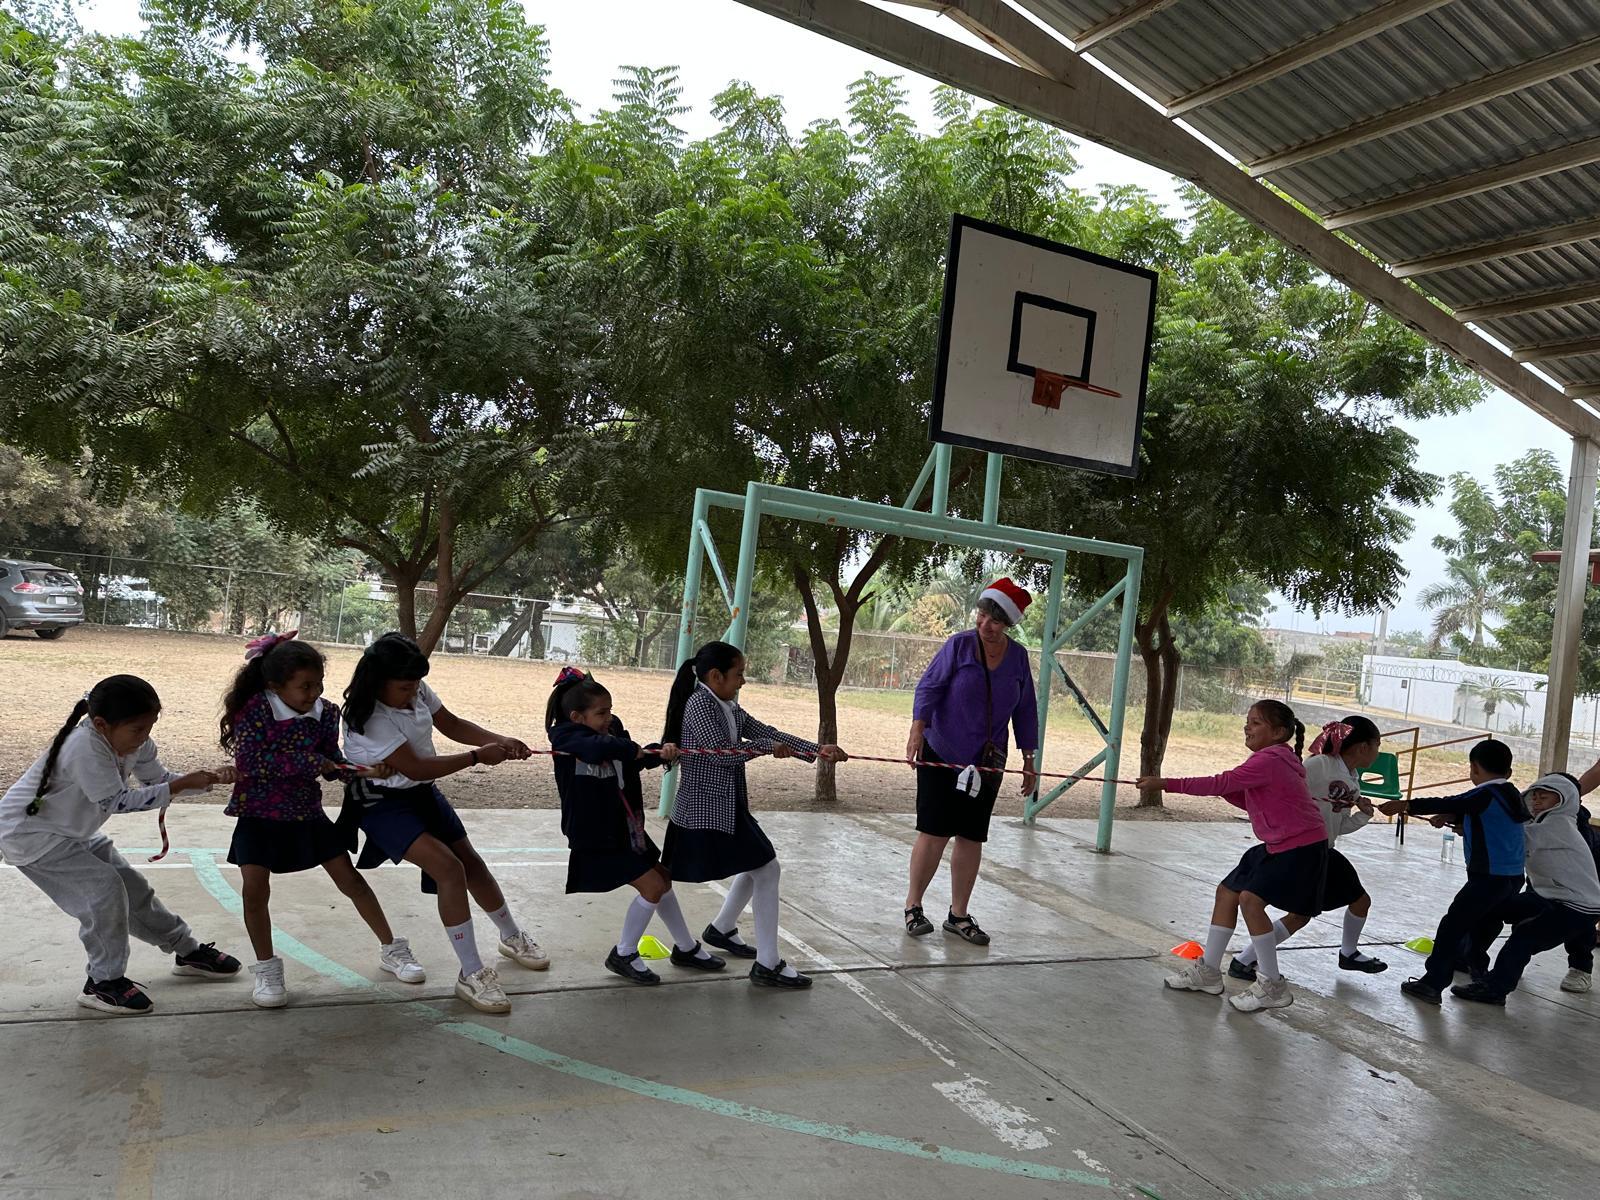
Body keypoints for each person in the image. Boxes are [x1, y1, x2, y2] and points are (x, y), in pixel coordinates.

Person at [0, 675, 241, 1014]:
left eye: (149, 727)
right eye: (137, 729)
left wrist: (206, 779)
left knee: (133, 889)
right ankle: (103, 982)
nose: (144, 737)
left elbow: (157, 781)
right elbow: (119, 801)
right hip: (31, 835)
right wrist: (177, 787)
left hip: (73, 831)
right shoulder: (83, 746)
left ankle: (186, 951)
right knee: (104, 891)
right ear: (101, 724)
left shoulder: (136, 743)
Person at [341, 633, 548, 1015]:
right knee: (448, 870)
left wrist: (499, 739)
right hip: (381, 802)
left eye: (416, 684)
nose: (413, 692)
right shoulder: (368, 716)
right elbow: (416, 766)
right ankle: (471, 974)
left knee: (471, 863)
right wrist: (476, 757)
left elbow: (450, 722)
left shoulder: (413, 688)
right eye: (405, 687)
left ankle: (511, 935)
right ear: (378, 681)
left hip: (420, 793)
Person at [221, 631, 425, 1008]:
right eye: (305, 686)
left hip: (306, 813)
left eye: (319, 683)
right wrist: (312, 762)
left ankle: (391, 949)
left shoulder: (327, 713)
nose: (314, 692)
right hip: (259, 813)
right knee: (254, 892)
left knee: (352, 881)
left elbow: (332, 761)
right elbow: (252, 763)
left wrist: (362, 771)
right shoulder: (255, 710)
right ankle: (267, 968)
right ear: (275, 685)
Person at [661, 640, 847, 989]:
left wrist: (817, 750)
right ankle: (767, 963)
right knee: (765, 868)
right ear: (715, 676)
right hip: (705, 809)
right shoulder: (701, 704)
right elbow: (720, 754)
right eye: (739, 674)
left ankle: (722, 930)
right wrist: (762, 749)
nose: (743, 681)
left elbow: (765, 732)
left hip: (726, 807)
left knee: (759, 866)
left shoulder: (726, 704)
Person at [1139, 699, 1328, 1013]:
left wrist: (1166, 784)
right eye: (1248, 720)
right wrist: (1225, 789)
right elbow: (1249, 800)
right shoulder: (1275, 759)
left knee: (1250, 901)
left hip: (1301, 847)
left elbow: (1221, 782)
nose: (1247, 726)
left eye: (1256, 723)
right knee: (1227, 892)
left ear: (1279, 732)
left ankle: (1271, 985)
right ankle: (1209, 972)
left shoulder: (1270, 759)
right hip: (1277, 844)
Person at [546, 666, 725, 984]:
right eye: (601, 713)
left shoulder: (611, 732)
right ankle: (625, 953)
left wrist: (660, 752)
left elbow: (633, 758)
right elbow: (600, 749)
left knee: (662, 879)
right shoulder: (566, 736)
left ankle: (685, 948)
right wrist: (630, 748)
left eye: (611, 710)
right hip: (595, 835)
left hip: (624, 828)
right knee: (653, 886)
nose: (609, 718)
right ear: (577, 716)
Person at [903, 578, 1039, 947]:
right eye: (981, 616)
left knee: (971, 835)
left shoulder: (1018, 658)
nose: (984, 626)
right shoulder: (959, 645)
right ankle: (913, 906)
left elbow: (1025, 709)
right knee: (934, 830)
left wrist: (1030, 758)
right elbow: (928, 687)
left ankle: (958, 914)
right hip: (943, 750)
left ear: (1008, 624)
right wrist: (917, 731)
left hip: (988, 760)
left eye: (994, 621)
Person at [1228, 716, 1387, 981]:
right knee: (1298, 914)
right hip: (1302, 849)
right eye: (1377, 745)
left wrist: (1363, 815)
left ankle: (1348, 953)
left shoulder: (1353, 778)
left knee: (1359, 901)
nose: (1377, 752)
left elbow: (1338, 825)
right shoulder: (1320, 765)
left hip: (1325, 849)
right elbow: (1286, 787)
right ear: (1363, 747)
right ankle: (1244, 960)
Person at [1377, 738, 1528, 1005]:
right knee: (1485, 924)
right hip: (1512, 877)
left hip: (1488, 877)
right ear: (1509, 771)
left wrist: (1407, 805)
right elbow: (1483, 817)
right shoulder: (1511, 794)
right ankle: (1476, 969)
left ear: (1474, 769)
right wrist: (1455, 818)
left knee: (1452, 926)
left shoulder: (1484, 793)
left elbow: (1453, 801)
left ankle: (1433, 983)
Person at [1450, 773, 1600, 1006]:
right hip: (1549, 896)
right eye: (1534, 797)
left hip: (1578, 907)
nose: (1537, 802)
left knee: (1523, 939)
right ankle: (1473, 963)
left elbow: (1512, 840)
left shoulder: (1558, 825)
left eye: (1545, 798)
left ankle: (1496, 989)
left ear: (1564, 801)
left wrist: (1468, 827)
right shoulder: (1535, 823)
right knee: (1491, 907)